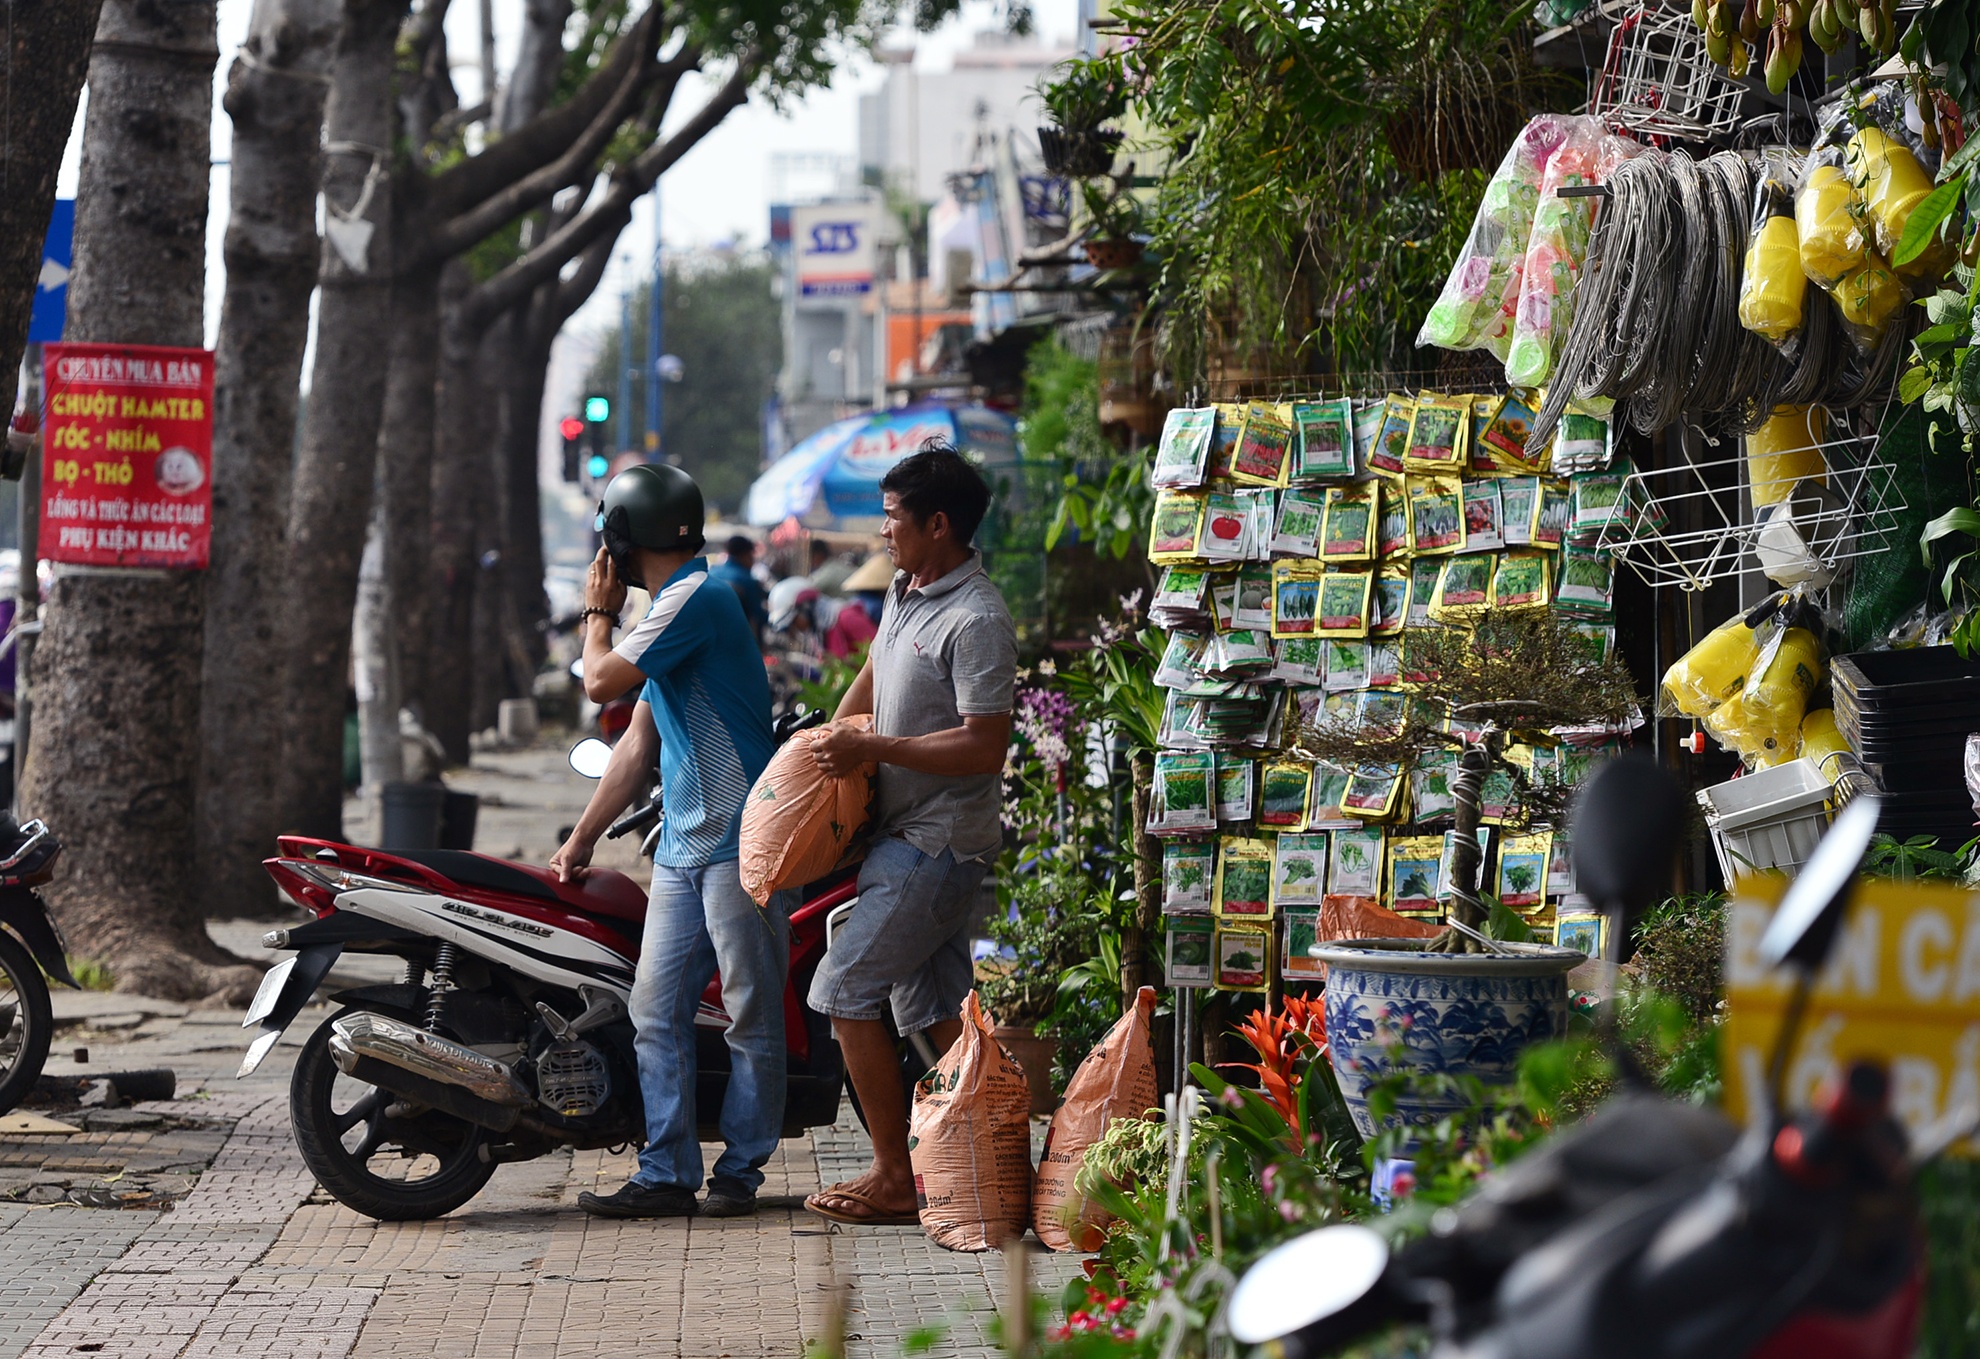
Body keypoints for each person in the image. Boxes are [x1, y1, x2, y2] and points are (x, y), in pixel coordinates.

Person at [551, 464, 786, 1220]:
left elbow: (598, 682)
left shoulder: (696, 598)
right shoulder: (675, 608)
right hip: (686, 845)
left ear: (621, 537)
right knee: (655, 1010)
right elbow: (636, 745)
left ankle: (740, 1174)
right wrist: (582, 837)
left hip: (741, 841)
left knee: (750, 1013)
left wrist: (596, 613)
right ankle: (666, 1171)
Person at [798, 440, 1016, 1226]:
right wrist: (833, 738)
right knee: (933, 1011)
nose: (883, 532)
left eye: (893, 518)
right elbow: (874, 674)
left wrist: (874, 747)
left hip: (937, 844)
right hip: (898, 837)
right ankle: (994, 1157)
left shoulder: (977, 617)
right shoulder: (904, 588)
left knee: (843, 989)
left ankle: (895, 1174)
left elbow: (984, 744)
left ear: (938, 522)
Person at [710, 533, 768, 638]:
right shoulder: (746, 580)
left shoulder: (712, 573)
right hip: (734, 638)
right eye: (751, 556)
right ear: (745, 555)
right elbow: (758, 614)